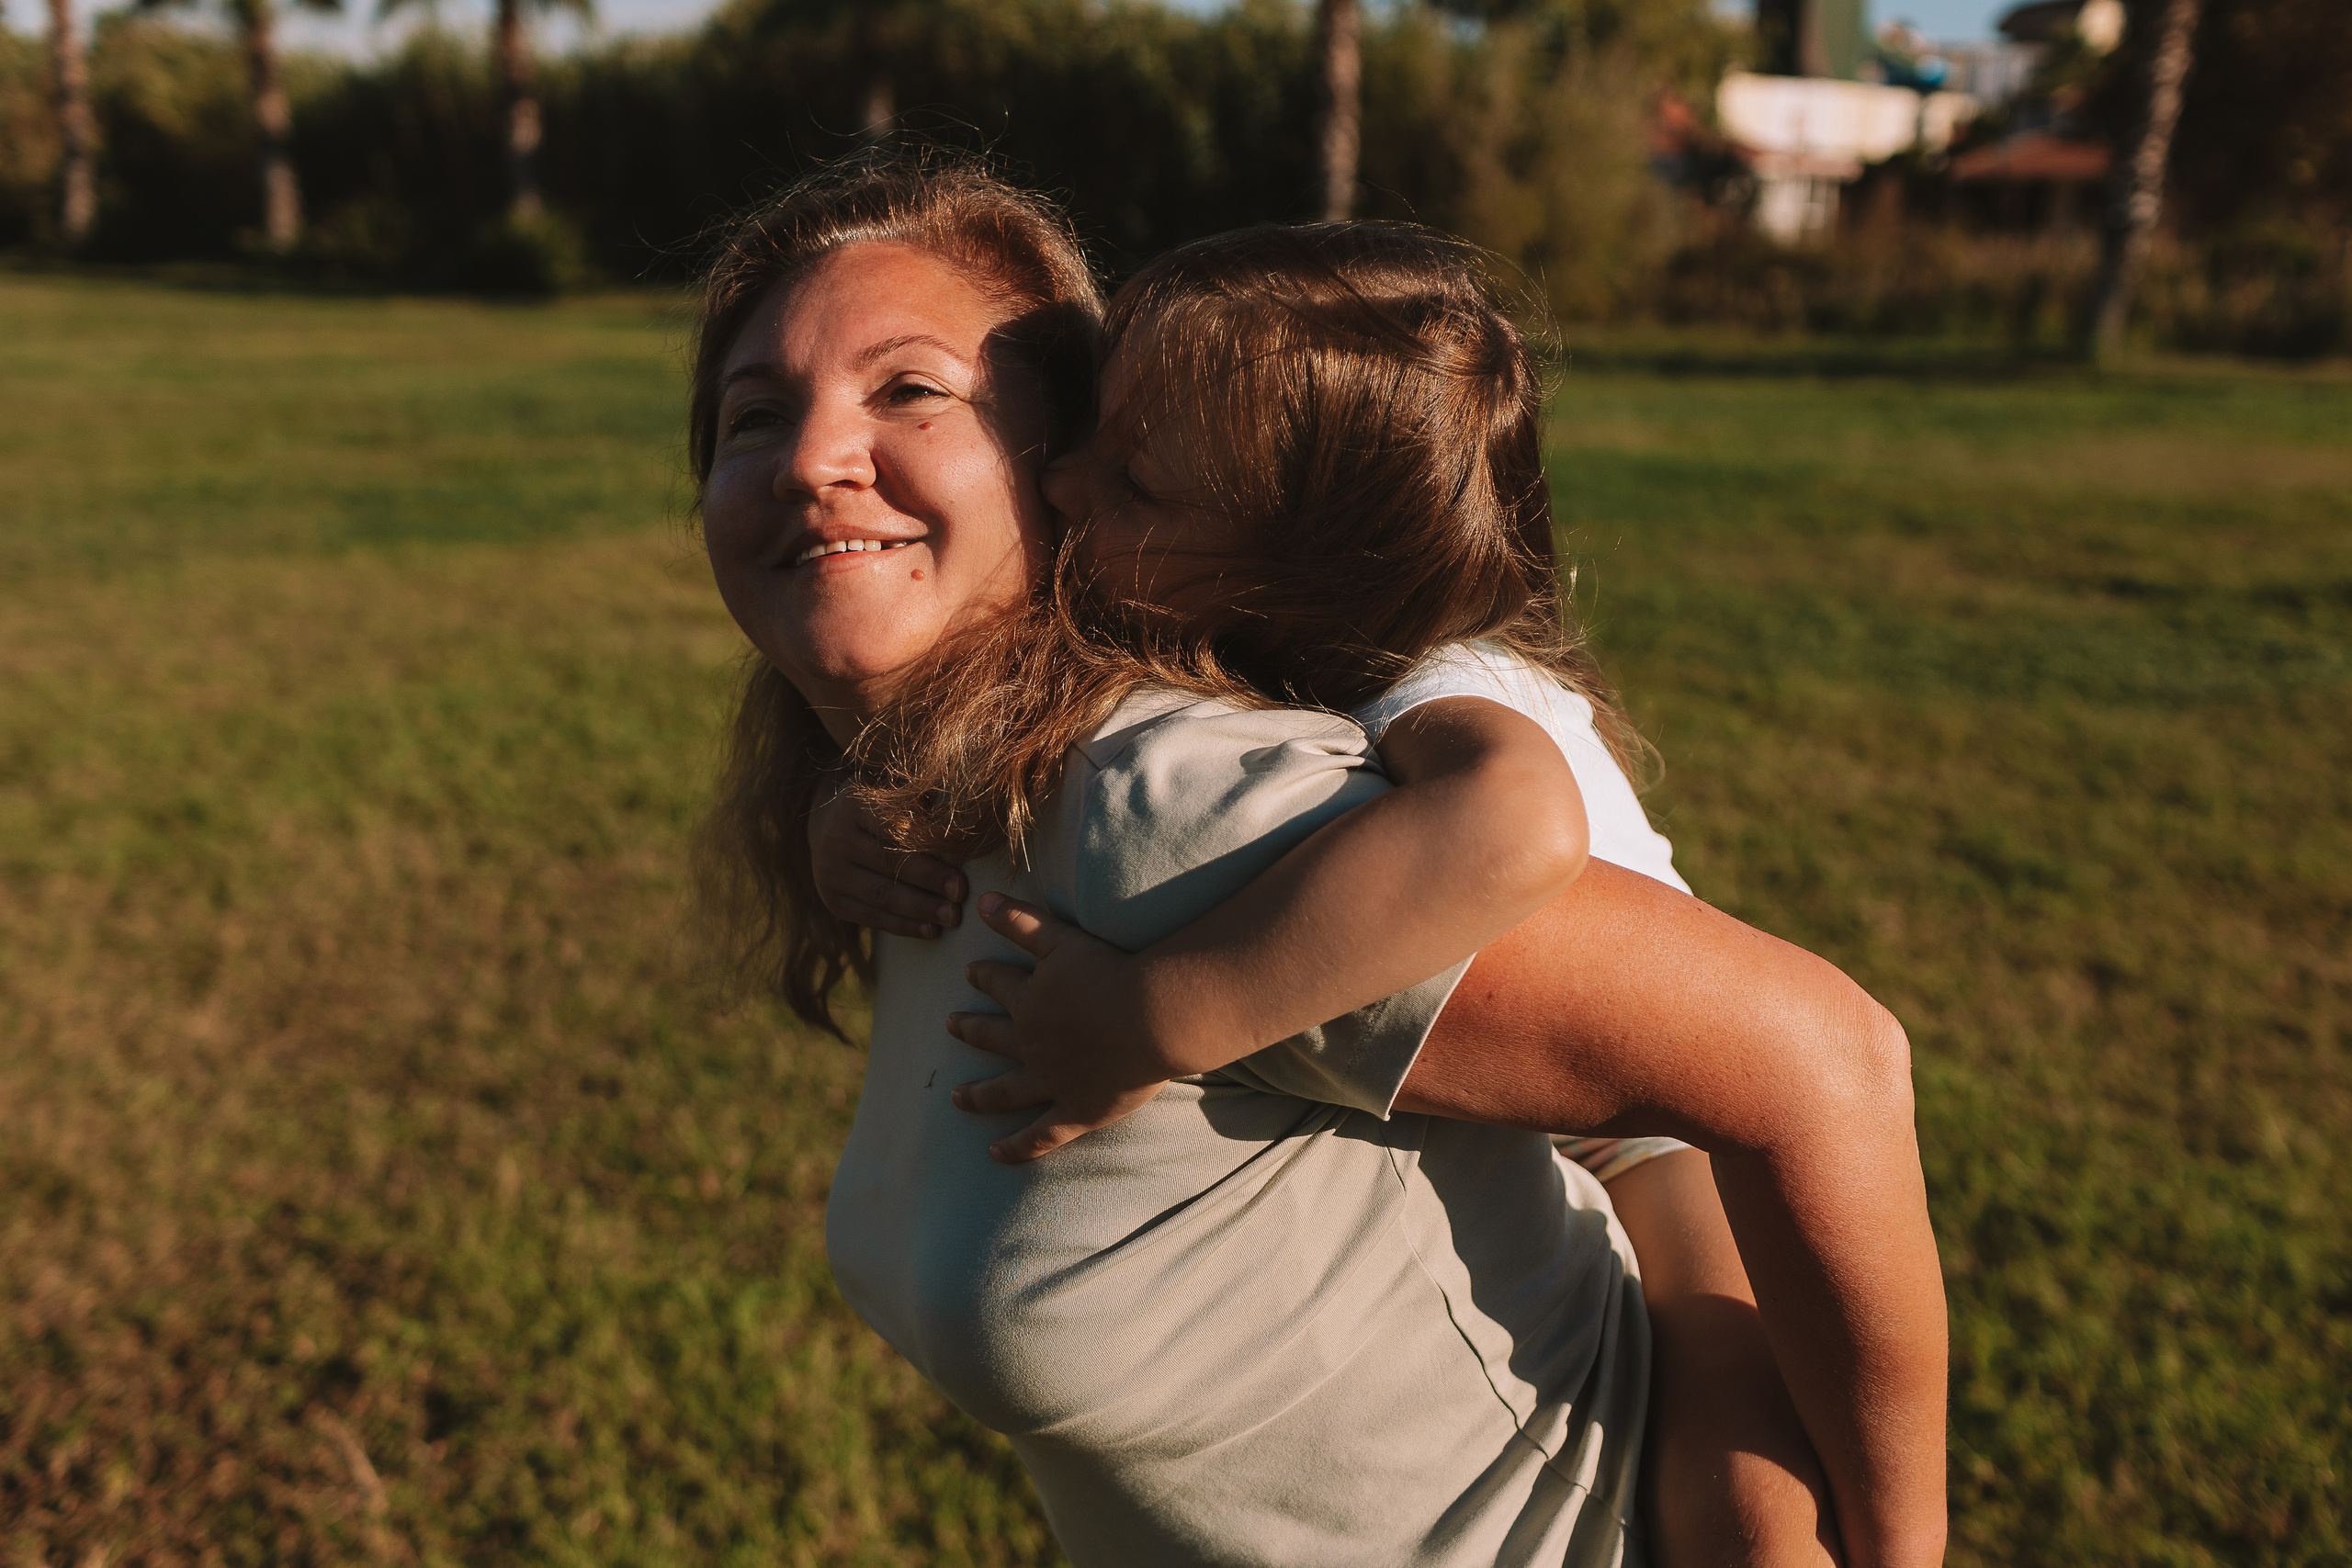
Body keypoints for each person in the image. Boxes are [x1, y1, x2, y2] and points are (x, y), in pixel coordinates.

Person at [695, 149, 1944, 1567]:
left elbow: (1812, 1062)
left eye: (910, 387)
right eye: (753, 413)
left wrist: (1889, 1541)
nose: (809, 457)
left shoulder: (1182, 808)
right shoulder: (948, 795)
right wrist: (839, 819)